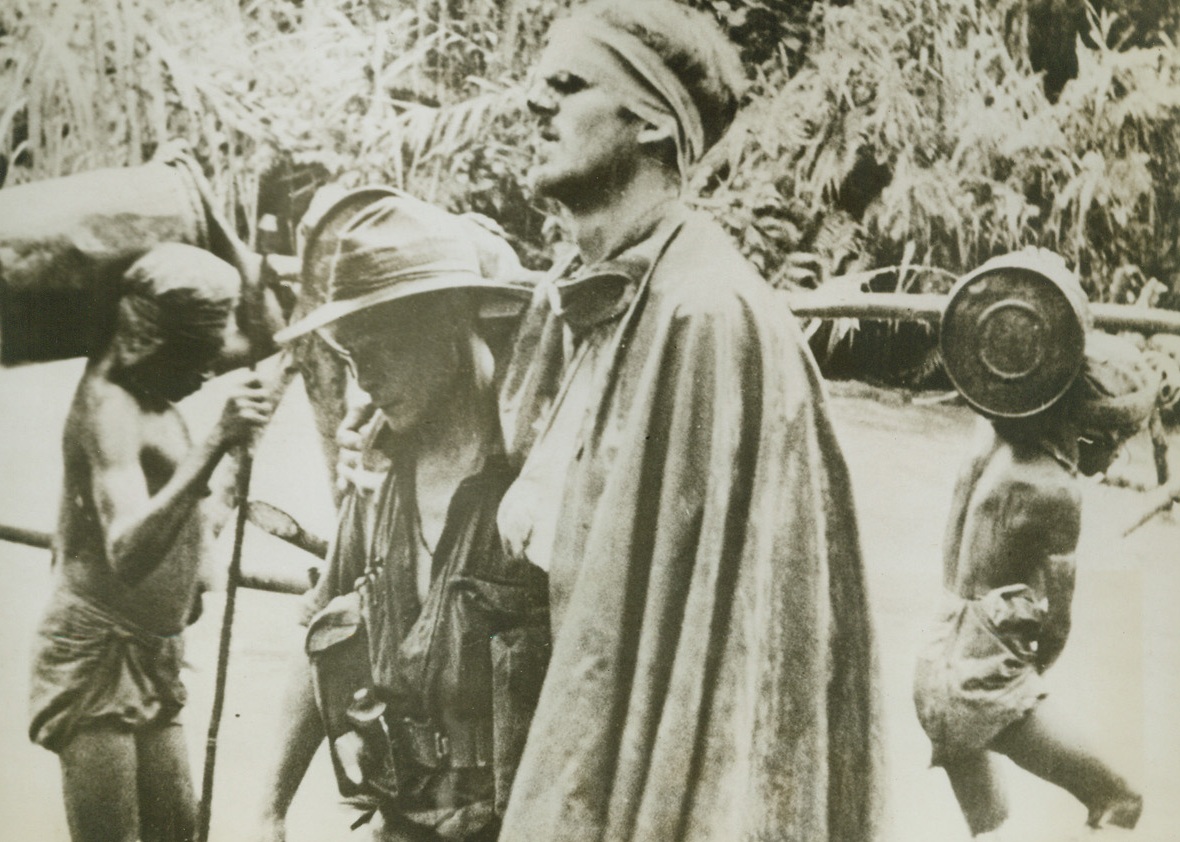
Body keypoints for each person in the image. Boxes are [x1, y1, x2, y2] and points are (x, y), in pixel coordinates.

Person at [492, 2, 880, 840]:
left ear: (653, 124)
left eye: (567, 84)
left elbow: (718, 650)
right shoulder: (576, 303)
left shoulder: (705, 318)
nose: (534, 103)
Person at [256, 193, 548, 842]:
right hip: (401, 820)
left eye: (380, 351)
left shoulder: (540, 471)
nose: (365, 383)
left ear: (446, 322)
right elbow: (321, 630)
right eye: (350, 358)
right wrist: (269, 809)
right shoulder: (377, 476)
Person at [28, 243, 278, 842]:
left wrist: (228, 240)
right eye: (198, 361)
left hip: (154, 653)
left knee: (179, 834)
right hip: (98, 652)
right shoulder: (108, 405)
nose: (209, 372)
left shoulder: (161, 384)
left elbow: (268, 337)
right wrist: (214, 441)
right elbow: (127, 552)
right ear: (156, 343)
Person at [913, 331, 1153, 839]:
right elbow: (1059, 626)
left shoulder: (988, 440)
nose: (1113, 456)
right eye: (1114, 441)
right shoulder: (1057, 489)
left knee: (996, 831)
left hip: (933, 663)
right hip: (981, 682)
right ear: (1092, 431)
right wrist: (1024, 681)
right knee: (1122, 797)